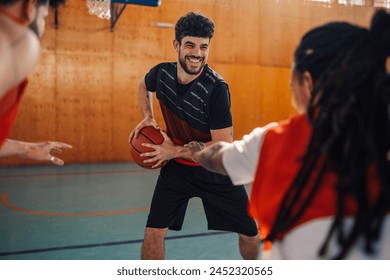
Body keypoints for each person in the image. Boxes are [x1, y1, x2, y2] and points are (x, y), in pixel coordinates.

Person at [184, 9, 390, 259]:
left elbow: (218, 156)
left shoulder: (275, 142)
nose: (290, 84)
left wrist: (198, 154)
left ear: (308, 81)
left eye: (292, 73)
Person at [130, 11, 260, 260]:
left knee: (250, 234)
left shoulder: (216, 89)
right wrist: (148, 117)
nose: (197, 53)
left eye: (203, 47)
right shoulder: (162, 74)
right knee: (154, 232)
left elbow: (222, 144)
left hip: (217, 170)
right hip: (177, 171)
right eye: (190, 45)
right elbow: (142, 84)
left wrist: (173, 151)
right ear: (176, 45)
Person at [0, 0, 71, 165]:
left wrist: (25, 149)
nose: (44, 24)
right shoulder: (19, 41)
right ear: (30, 5)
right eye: (45, 16)